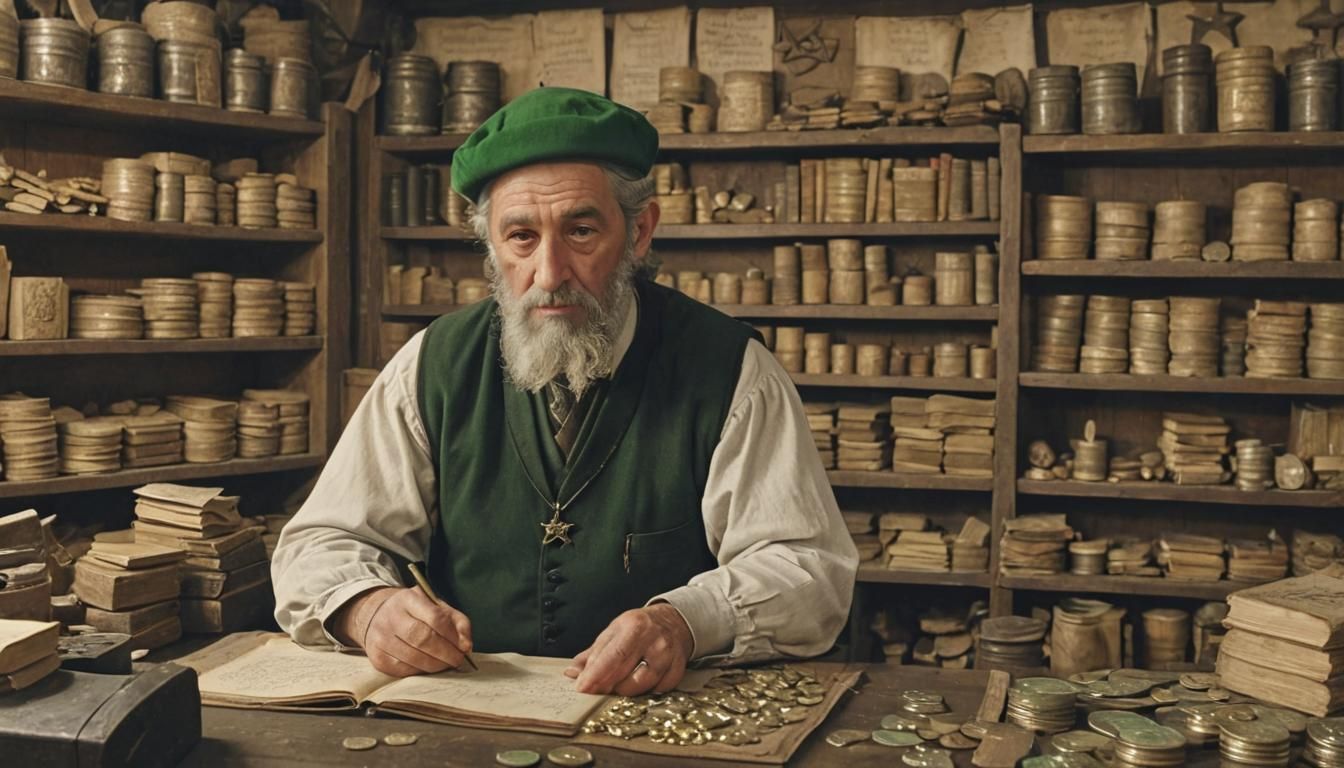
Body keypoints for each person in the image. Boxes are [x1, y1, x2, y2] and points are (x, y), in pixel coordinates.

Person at [272, 87, 858, 697]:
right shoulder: (430, 366)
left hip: (655, 716)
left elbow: (809, 571)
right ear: (492, 248)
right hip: (463, 713)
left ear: (639, 232)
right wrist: (369, 610)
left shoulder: (733, 371)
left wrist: (683, 621)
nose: (549, 275)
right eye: (521, 237)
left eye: (580, 231)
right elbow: (321, 541)